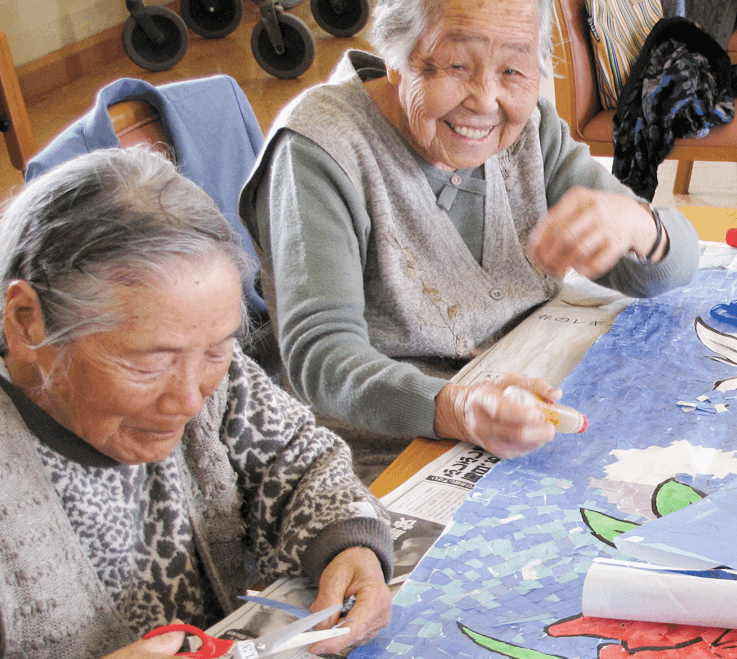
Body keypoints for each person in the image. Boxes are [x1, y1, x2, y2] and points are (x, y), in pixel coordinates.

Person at [0, 147, 393, 659]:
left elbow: (299, 459)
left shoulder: (196, 359)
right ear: (29, 324)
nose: (190, 397)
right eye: (146, 362)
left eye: (218, 350)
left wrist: (347, 542)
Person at [239, 0, 700, 483]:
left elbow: (660, 269)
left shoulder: (529, 130)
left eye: (513, 70)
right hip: (386, 447)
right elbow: (320, 357)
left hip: (518, 407)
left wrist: (639, 224)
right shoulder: (320, 148)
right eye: (457, 66)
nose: (484, 100)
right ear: (396, 58)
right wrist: (457, 409)